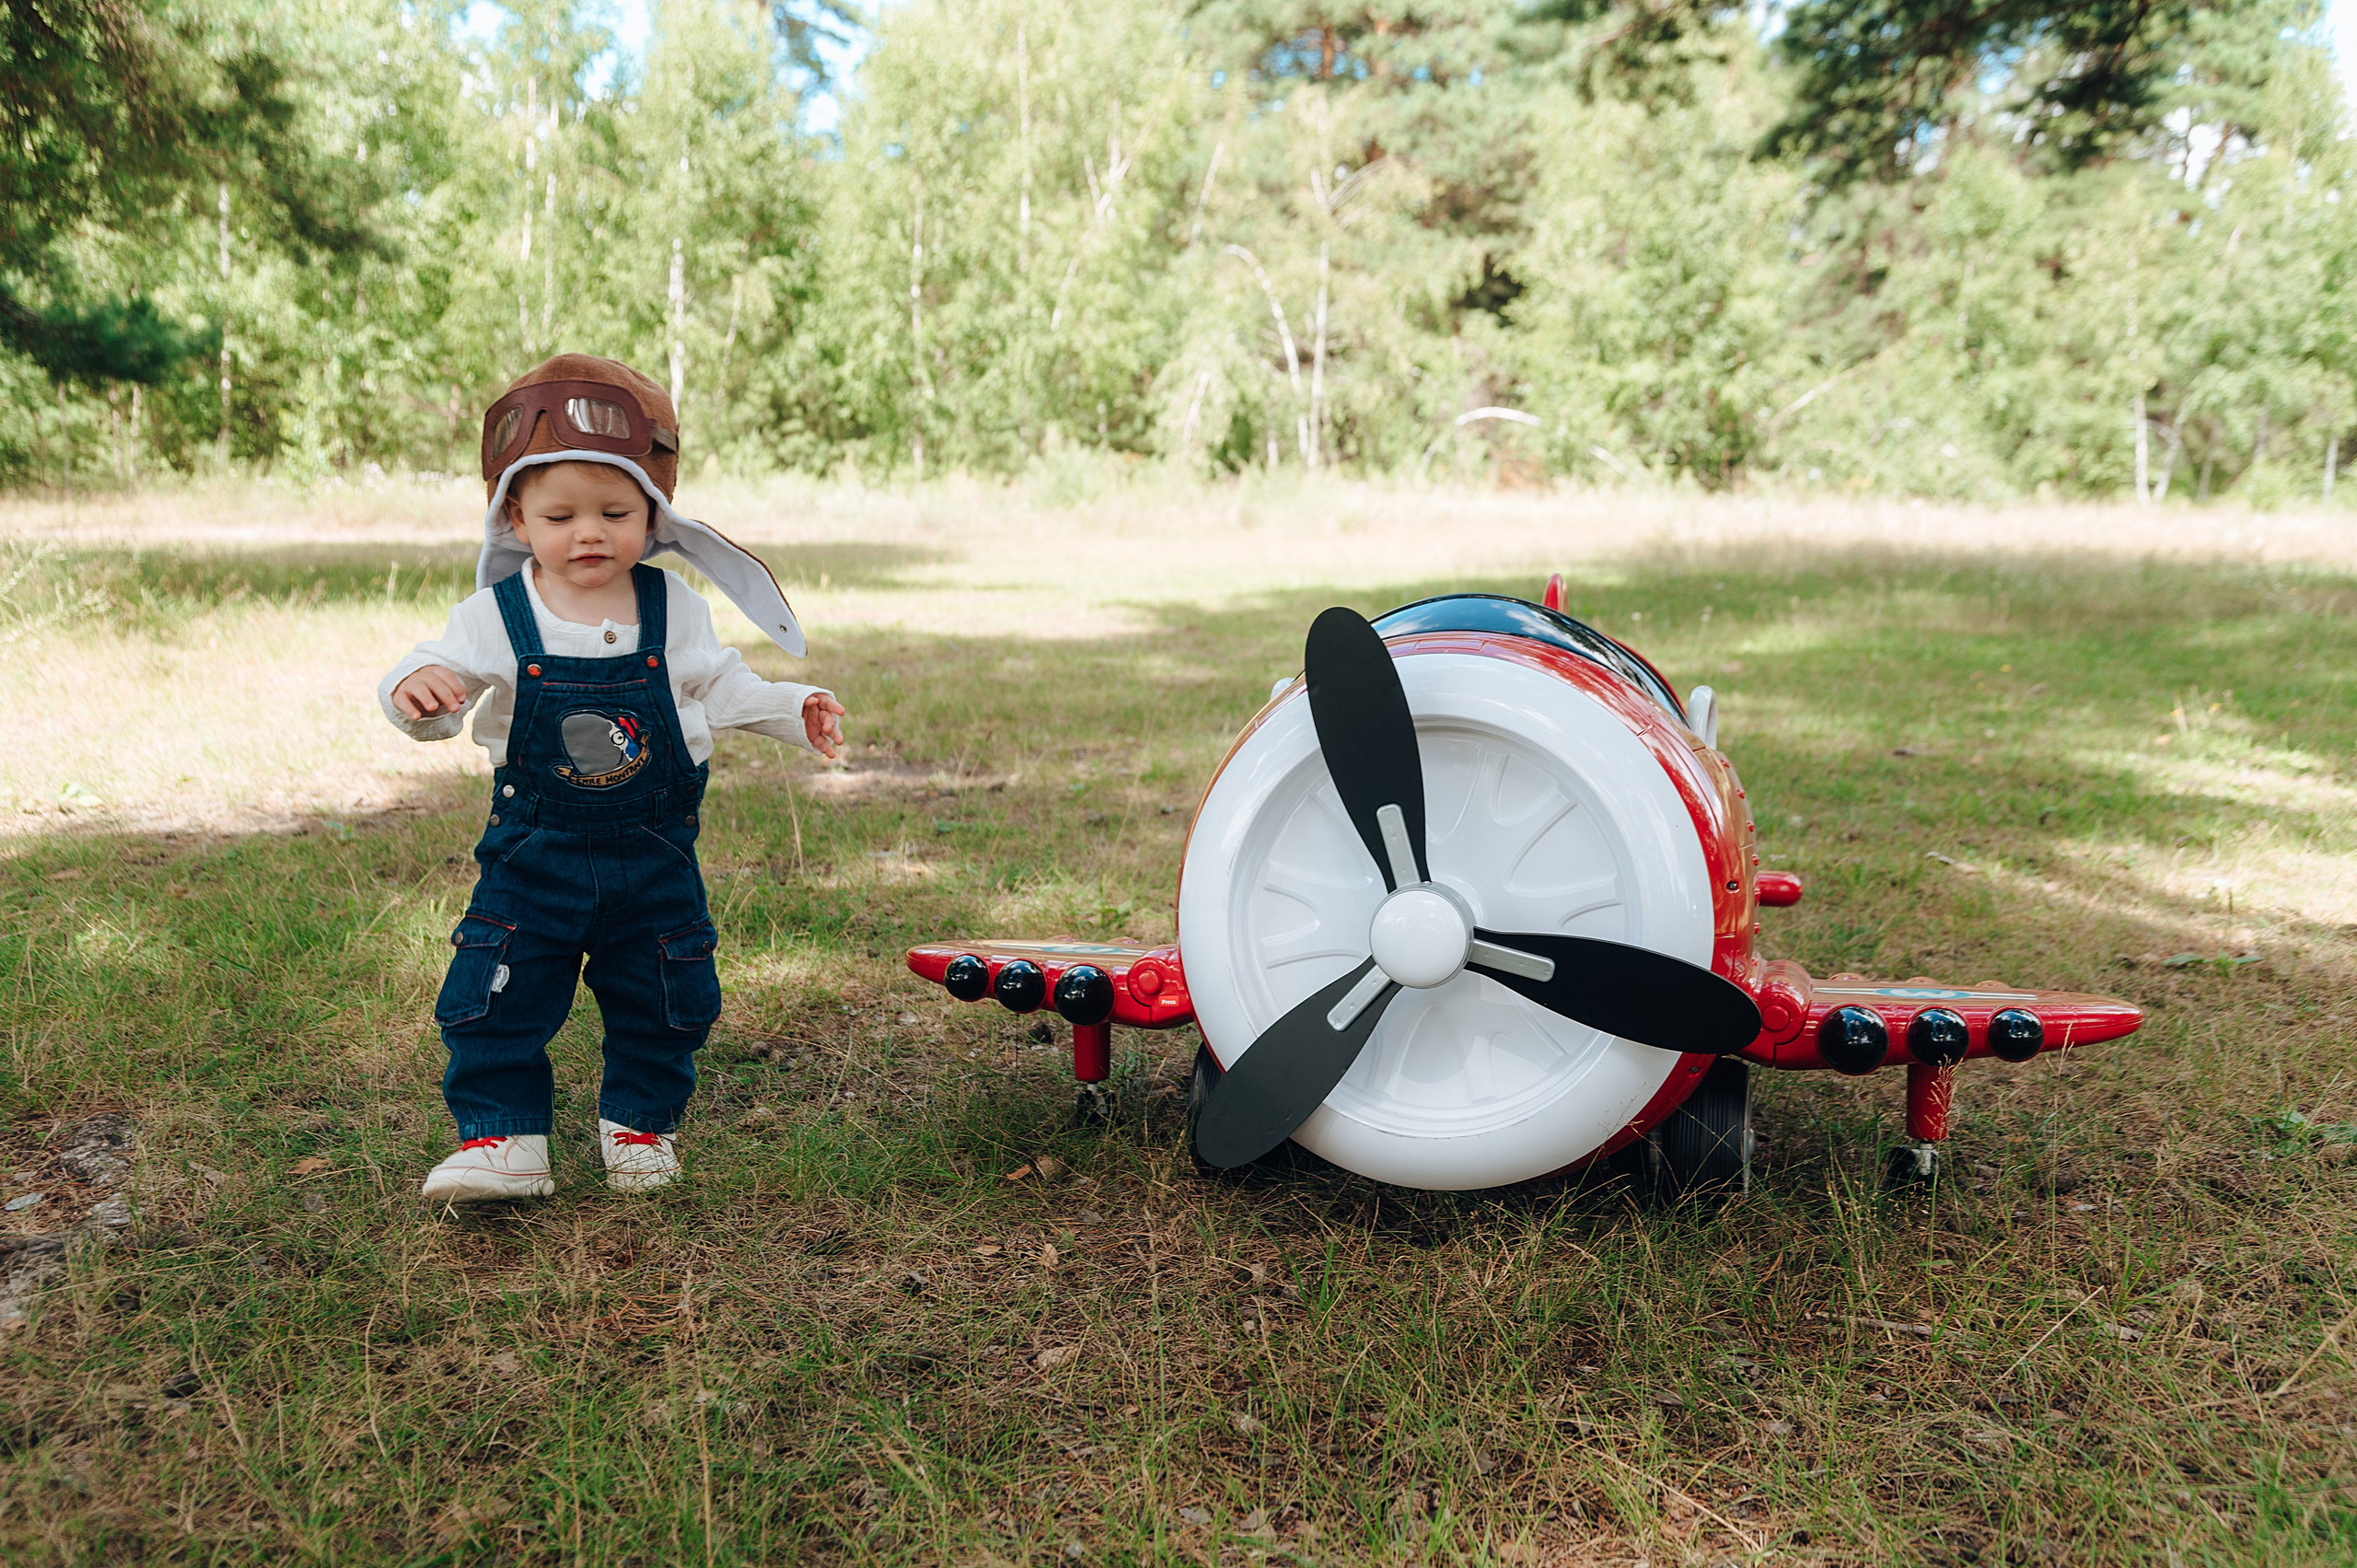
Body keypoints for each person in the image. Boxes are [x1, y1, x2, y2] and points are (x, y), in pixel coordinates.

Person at [378, 354, 845, 1202]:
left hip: (653, 853)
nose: (587, 533)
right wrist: (417, 692)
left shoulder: (674, 608)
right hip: (534, 854)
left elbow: (719, 686)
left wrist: (792, 706)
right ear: (516, 517)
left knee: (664, 992)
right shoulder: (494, 615)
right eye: (560, 516)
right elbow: (435, 689)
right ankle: (503, 1137)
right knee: (501, 984)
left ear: (654, 513)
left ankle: (639, 1124)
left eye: (614, 513)